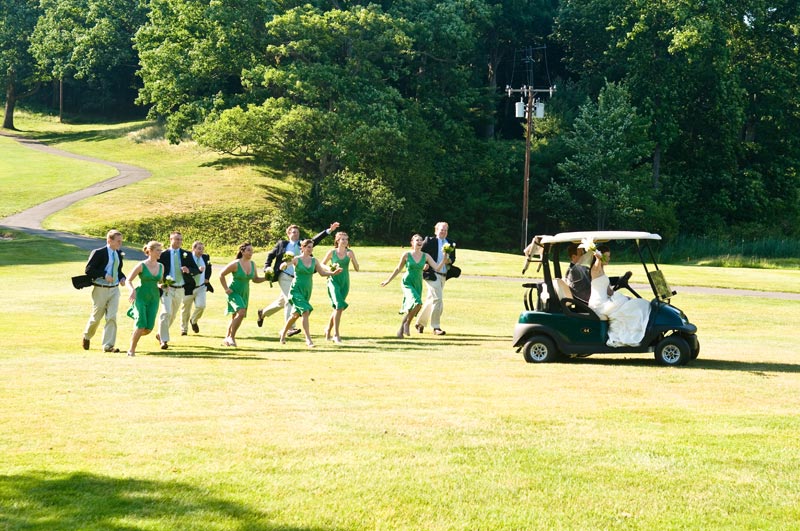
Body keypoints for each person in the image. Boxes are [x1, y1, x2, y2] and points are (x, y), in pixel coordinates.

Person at [257, 222, 340, 336]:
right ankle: (290, 328)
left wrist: (329, 230)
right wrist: (267, 267)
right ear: (288, 234)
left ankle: (263, 313)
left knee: (282, 302)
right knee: (289, 301)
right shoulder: (282, 244)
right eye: (293, 232)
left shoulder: (303, 244)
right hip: (284, 276)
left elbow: (315, 239)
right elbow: (271, 255)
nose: (296, 234)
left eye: (297, 232)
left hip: (297, 278)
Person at [278, 239, 342, 348]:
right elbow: (284, 265)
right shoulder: (296, 259)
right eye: (308, 247)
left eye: (311, 247)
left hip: (307, 291)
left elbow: (322, 273)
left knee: (295, 315)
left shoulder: (314, 261)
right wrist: (283, 264)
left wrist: (333, 273)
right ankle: (308, 340)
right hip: (296, 290)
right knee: (305, 312)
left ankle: (283, 333)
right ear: (302, 248)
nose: (310, 249)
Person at [381, 234, 447, 339]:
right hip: (407, 282)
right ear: (412, 242)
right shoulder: (406, 254)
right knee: (417, 302)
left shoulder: (426, 256)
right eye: (417, 240)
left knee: (416, 306)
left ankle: (401, 329)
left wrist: (444, 259)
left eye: (421, 240)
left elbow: (437, 268)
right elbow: (398, 268)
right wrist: (388, 280)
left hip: (418, 283)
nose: (420, 242)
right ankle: (406, 324)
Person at [588, 245, 651, 347]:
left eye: (609, 256)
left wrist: (624, 297)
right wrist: (598, 258)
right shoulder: (595, 270)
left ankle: (642, 331)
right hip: (599, 304)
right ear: (600, 257)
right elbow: (596, 266)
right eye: (606, 256)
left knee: (635, 303)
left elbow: (608, 291)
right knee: (633, 306)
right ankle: (634, 335)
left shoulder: (602, 271)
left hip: (606, 301)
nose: (609, 259)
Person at [82, 229, 127, 352]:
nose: (120, 244)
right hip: (100, 289)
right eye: (118, 241)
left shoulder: (119, 253)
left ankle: (108, 346)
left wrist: (122, 278)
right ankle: (87, 335)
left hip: (114, 289)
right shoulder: (98, 253)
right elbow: (88, 270)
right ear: (109, 240)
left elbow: (118, 270)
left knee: (112, 316)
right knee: (96, 317)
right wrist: (104, 275)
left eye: (121, 241)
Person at [156, 231, 200, 350]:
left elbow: (196, 270)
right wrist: (160, 283)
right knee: (166, 312)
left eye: (180, 239)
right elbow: (156, 269)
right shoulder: (163, 254)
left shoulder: (187, 254)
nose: (179, 242)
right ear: (171, 240)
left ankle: (160, 333)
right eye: (177, 239)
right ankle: (164, 340)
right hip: (167, 288)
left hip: (180, 288)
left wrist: (188, 270)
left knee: (173, 315)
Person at [219, 242, 269, 347]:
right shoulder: (236, 263)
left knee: (235, 316)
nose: (251, 253)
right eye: (249, 250)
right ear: (242, 251)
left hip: (245, 293)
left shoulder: (253, 264)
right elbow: (221, 274)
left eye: (252, 251)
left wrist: (266, 278)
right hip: (233, 292)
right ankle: (231, 338)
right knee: (241, 313)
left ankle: (226, 338)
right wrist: (226, 289)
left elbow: (255, 279)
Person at [414, 222, 455, 335]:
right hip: (431, 274)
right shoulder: (430, 241)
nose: (443, 232)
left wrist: (448, 260)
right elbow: (420, 253)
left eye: (445, 230)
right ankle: (436, 327)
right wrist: (423, 264)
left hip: (443, 275)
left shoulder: (450, 243)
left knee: (432, 299)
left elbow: (453, 258)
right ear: (436, 230)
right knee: (438, 299)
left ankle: (420, 323)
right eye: (441, 230)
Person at [125, 241, 164, 357]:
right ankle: (131, 350)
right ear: (150, 251)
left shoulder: (161, 266)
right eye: (158, 250)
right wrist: (132, 290)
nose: (160, 252)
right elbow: (128, 280)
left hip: (154, 297)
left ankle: (135, 334)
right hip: (140, 297)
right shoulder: (141, 265)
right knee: (141, 324)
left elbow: (159, 282)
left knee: (148, 329)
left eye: (160, 250)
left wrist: (163, 286)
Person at [321, 231, 360, 344]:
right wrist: (331, 268)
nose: (345, 241)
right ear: (337, 240)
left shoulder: (350, 252)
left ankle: (328, 329)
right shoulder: (332, 252)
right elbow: (322, 264)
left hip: (345, 282)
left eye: (346, 239)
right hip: (333, 281)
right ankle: (336, 335)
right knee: (338, 306)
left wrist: (352, 259)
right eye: (342, 239)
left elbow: (357, 268)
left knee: (338, 308)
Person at [180, 241, 213, 336]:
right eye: (199, 249)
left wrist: (207, 278)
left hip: (201, 287)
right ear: (193, 249)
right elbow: (185, 269)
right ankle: (184, 329)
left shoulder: (206, 257)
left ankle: (193, 320)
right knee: (186, 309)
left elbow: (209, 268)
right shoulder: (187, 257)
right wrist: (196, 271)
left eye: (202, 249)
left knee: (201, 306)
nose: (201, 251)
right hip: (188, 287)